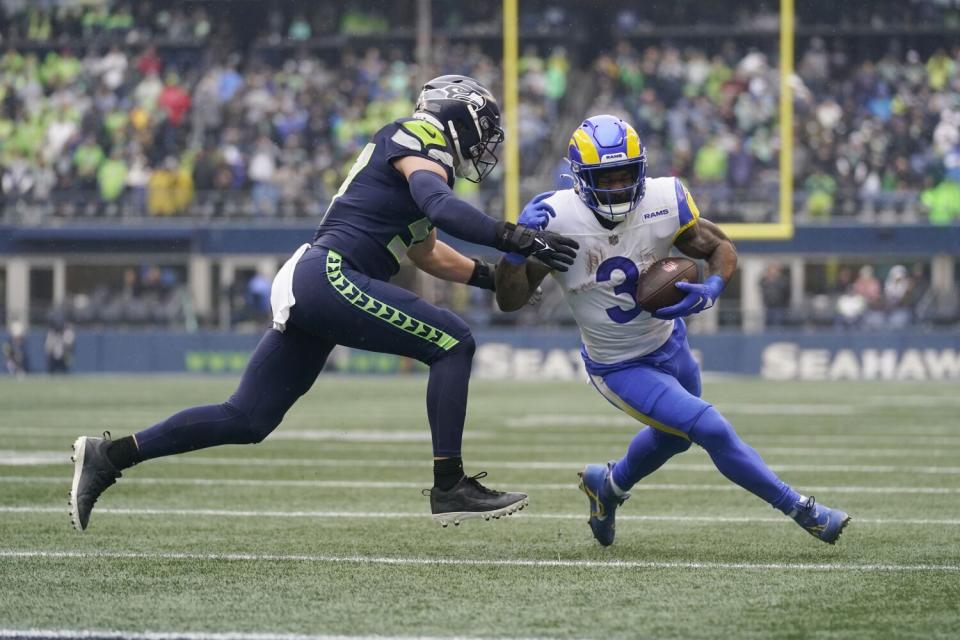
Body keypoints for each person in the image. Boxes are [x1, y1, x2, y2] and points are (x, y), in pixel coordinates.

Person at [69, 75, 579, 531]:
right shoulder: (419, 135)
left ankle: (110, 455)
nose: (484, 143)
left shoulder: (415, 166)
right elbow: (441, 207)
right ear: (457, 115)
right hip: (331, 273)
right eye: (482, 127)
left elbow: (428, 252)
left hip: (318, 279)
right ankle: (450, 484)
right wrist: (513, 237)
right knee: (454, 341)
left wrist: (495, 280)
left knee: (247, 418)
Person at [495, 114, 850, 546]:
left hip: (670, 342)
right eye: (606, 178)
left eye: (627, 173)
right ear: (581, 179)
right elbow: (509, 300)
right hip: (619, 365)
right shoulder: (554, 219)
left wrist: (713, 287)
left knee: (675, 438)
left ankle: (607, 486)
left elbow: (720, 247)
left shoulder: (664, 199)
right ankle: (804, 510)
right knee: (709, 426)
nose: (619, 185)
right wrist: (515, 252)